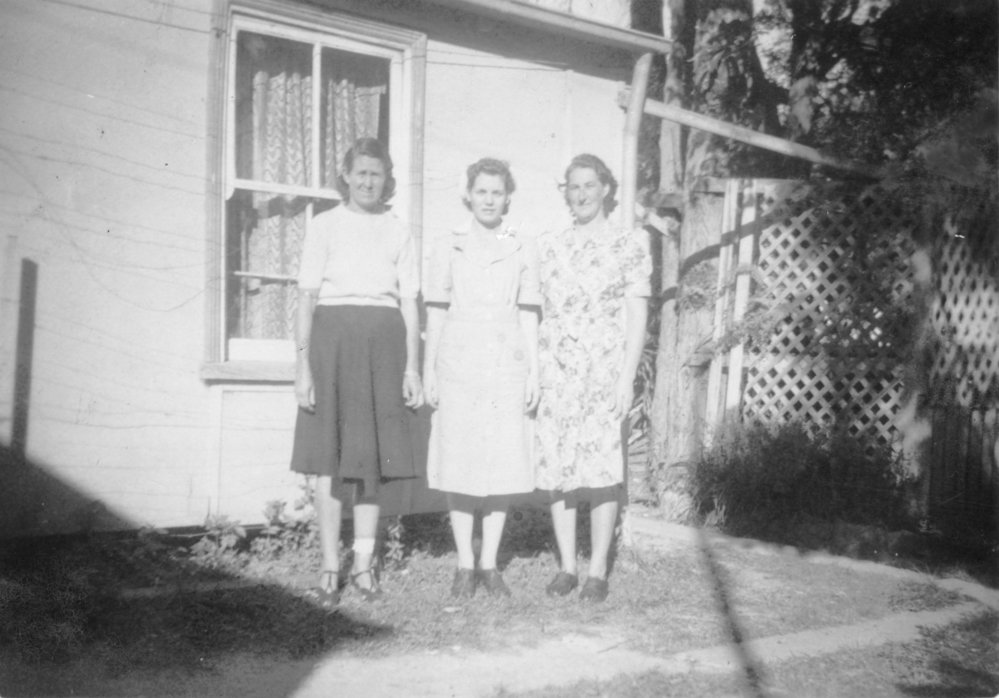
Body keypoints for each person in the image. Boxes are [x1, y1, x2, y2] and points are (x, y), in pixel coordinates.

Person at [290, 137, 423, 609]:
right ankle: (330, 568)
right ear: (345, 175)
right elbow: (306, 300)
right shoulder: (324, 226)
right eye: (360, 172)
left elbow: (409, 304)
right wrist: (302, 366)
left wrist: (412, 367)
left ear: (387, 179)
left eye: (377, 173)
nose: (369, 181)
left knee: (371, 466)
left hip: (383, 346)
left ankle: (363, 567)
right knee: (329, 461)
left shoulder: (397, 230)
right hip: (332, 344)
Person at [534, 154, 651, 603]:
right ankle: (567, 566)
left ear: (605, 188)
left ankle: (598, 569)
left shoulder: (628, 244)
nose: (580, 194)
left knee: (602, 469)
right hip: (558, 371)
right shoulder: (551, 245)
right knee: (560, 469)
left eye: (588, 185)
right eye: (573, 186)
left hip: (604, 372)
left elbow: (637, 316)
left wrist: (626, 377)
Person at [423, 158, 541, 598]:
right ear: (468, 195)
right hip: (458, 360)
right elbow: (435, 311)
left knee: (502, 459)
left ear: (508, 196)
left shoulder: (521, 245)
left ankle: (490, 563)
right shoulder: (449, 245)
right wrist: (429, 369)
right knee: (459, 459)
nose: (489, 200)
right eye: (482, 191)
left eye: (497, 192)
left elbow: (529, 312)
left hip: (506, 360)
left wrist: (533, 371)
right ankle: (464, 563)